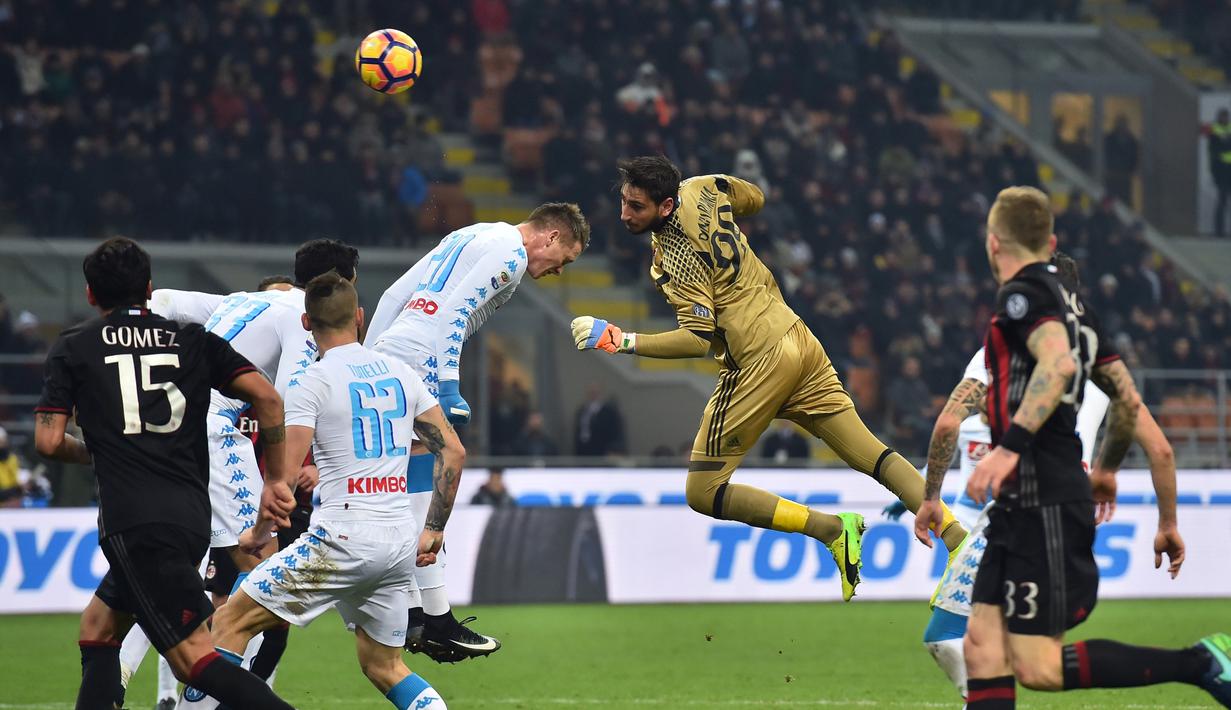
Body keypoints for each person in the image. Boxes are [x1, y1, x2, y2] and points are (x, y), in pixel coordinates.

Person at [572, 155, 967, 601]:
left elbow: (697, 338)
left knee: (703, 491)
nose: (624, 214)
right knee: (873, 454)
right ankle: (958, 541)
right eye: (624, 201)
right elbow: (755, 198)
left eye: (636, 206)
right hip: (797, 336)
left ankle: (830, 529)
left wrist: (622, 340)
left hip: (756, 358)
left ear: (665, 207)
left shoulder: (675, 255)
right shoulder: (703, 187)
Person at [916, 187, 1229, 708]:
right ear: (1050, 241)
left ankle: (1198, 662)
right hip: (1020, 508)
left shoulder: (1022, 298)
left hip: (1043, 504)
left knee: (1037, 667)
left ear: (993, 243)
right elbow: (1127, 402)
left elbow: (1057, 365)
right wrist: (1106, 470)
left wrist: (1009, 449)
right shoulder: (1081, 316)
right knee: (981, 649)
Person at [33, 237, 296, 710]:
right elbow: (269, 399)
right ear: (149, 289)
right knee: (98, 628)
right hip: (191, 516)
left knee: (193, 661)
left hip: (134, 522)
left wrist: (97, 451)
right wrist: (277, 480)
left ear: (91, 294)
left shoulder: (74, 347)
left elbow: (49, 441)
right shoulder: (192, 339)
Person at [206, 272, 463, 709]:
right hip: (398, 541)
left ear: (306, 323)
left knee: (228, 624)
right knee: (384, 666)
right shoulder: (402, 374)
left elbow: (283, 483)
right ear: (359, 317)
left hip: (341, 538)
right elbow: (452, 451)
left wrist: (258, 534)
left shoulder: (312, 381)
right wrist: (434, 529)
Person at [364, 202, 588, 661]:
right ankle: (435, 617)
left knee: (407, 484)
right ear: (549, 237)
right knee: (441, 469)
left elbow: (392, 296)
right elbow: (453, 317)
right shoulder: (511, 256)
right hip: (421, 360)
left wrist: (363, 362)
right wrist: (449, 385)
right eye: (563, 259)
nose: (557, 271)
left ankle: (416, 612)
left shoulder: (472, 233)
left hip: (390, 351)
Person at [145, 238, 359, 706]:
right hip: (211, 430)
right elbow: (286, 401)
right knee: (261, 566)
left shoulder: (243, 300)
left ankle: (132, 683)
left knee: (155, 572)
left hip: (162, 427)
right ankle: (210, 695)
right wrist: (281, 478)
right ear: (344, 287)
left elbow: (162, 300)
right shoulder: (301, 319)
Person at [1208, 108, 1231, 237]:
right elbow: (1214, 152)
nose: (1225, 119)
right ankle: (1219, 231)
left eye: (1227, 117)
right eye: (1223, 117)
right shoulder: (1215, 131)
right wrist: (1214, 173)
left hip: (1229, 171)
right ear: (1219, 117)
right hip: (1222, 173)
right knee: (1222, 202)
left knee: (1223, 202)